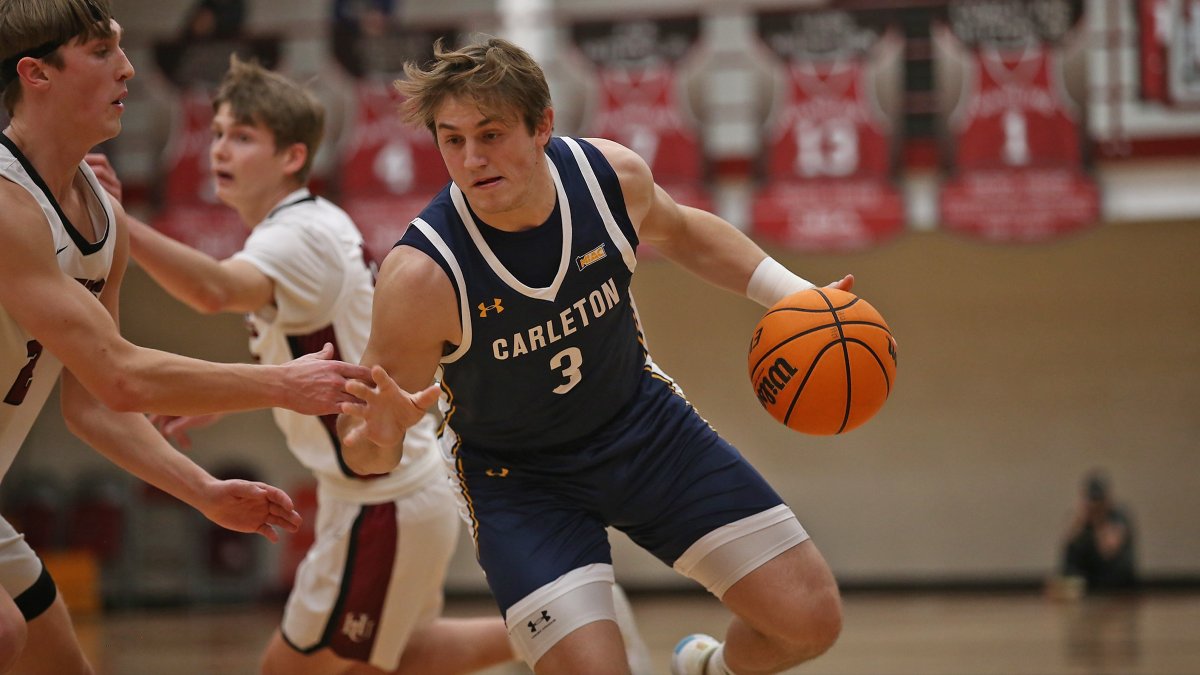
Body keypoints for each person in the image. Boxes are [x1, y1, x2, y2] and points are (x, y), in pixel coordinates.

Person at [88, 55, 652, 675]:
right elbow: (333, 343)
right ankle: (576, 622)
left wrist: (121, 224)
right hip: (384, 490)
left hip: (380, 494)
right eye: (218, 133)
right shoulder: (301, 228)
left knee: (291, 669)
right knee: (399, 658)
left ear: (292, 158)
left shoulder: (294, 235)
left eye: (243, 137)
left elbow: (215, 291)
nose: (221, 149)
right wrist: (235, 394)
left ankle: (576, 622)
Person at [337, 37, 850, 675]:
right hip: (519, 482)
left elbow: (686, 232)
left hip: (643, 428)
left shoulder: (608, 179)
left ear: (542, 125)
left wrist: (801, 298)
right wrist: (379, 437)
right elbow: (361, 448)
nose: (472, 159)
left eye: (491, 134)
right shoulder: (421, 278)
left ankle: (706, 670)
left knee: (810, 620)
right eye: (452, 140)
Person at [0, 1, 369, 672]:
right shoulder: (7, 206)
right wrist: (283, 384)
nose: (129, 67)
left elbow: (91, 402)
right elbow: (122, 372)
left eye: (122, 48)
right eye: (101, 52)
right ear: (36, 74)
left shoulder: (99, 211)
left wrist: (204, 490)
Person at [1060, 470, 1138, 593]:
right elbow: (1068, 544)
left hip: (1114, 580)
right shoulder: (1081, 517)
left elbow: (1109, 550)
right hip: (1087, 579)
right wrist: (1080, 520)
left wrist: (1099, 521)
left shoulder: (1118, 515)